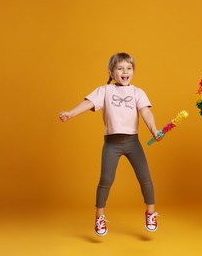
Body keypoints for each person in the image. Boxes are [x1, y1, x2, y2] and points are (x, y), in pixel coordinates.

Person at [59, 53, 162, 236]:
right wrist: (71, 113)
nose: (125, 72)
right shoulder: (105, 91)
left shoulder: (137, 92)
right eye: (120, 68)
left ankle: (151, 213)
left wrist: (154, 130)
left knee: (145, 177)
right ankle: (99, 216)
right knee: (106, 180)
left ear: (133, 71)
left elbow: (146, 112)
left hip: (132, 142)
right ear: (111, 72)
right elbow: (88, 103)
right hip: (112, 144)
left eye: (129, 68)